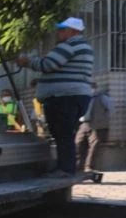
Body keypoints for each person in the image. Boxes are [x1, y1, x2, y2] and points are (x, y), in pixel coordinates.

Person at [16, 17, 93, 176]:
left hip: (63, 97)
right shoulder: (84, 47)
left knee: (62, 133)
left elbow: (47, 64)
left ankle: (65, 168)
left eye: (62, 29)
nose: (58, 32)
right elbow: (68, 71)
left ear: (72, 31)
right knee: (65, 132)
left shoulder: (68, 45)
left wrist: (27, 62)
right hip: (75, 95)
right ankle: (64, 166)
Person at [75, 83, 111, 173]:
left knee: (94, 146)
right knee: (78, 143)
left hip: (98, 125)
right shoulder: (82, 98)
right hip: (84, 123)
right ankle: (78, 166)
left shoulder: (102, 97)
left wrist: (102, 120)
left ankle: (89, 166)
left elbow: (111, 110)